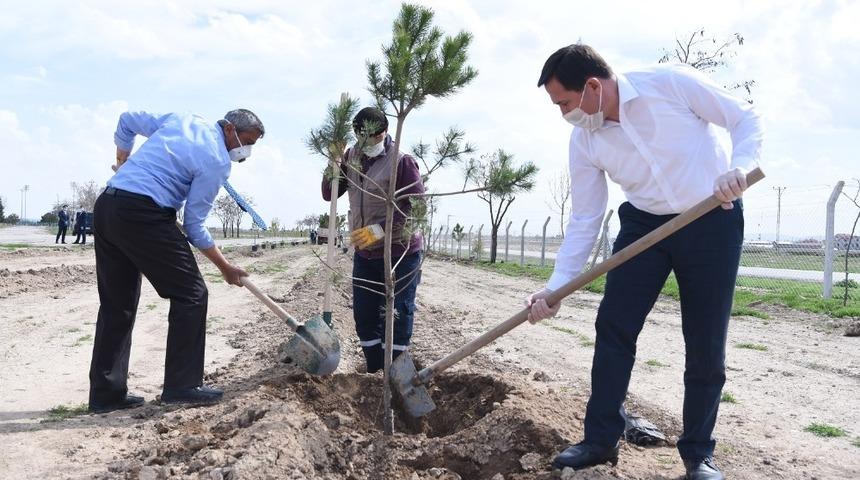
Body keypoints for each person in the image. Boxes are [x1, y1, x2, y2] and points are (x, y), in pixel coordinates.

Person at [525, 45, 763, 480]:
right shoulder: (584, 140)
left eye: (564, 103)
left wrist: (740, 167)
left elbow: (744, 117)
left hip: (711, 214)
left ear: (593, 86)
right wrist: (556, 286)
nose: (564, 115)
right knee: (613, 325)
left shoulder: (669, 83)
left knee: (706, 340)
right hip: (644, 227)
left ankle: (698, 455)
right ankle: (599, 441)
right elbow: (585, 217)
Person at [88, 108, 264, 413]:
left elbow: (127, 120)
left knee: (118, 304)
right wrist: (225, 267)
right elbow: (194, 225)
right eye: (246, 141)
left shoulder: (185, 119)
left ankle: (106, 394)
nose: (245, 152)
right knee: (192, 294)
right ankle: (182, 386)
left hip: (108, 206)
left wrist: (122, 160)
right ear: (229, 129)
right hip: (144, 214)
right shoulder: (217, 162)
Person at [321, 107, 425, 373]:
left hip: (401, 254)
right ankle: (375, 373)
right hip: (366, 254)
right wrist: (332, 162)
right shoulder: (351, 157)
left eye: (372, 138)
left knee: (398, 315)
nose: (367, 145)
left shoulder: (402, 161)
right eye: (361, 139)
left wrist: (376, 232)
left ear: (384, 133)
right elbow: (329, 194)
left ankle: (396, 375)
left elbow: (416, 210)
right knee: (365, 316)